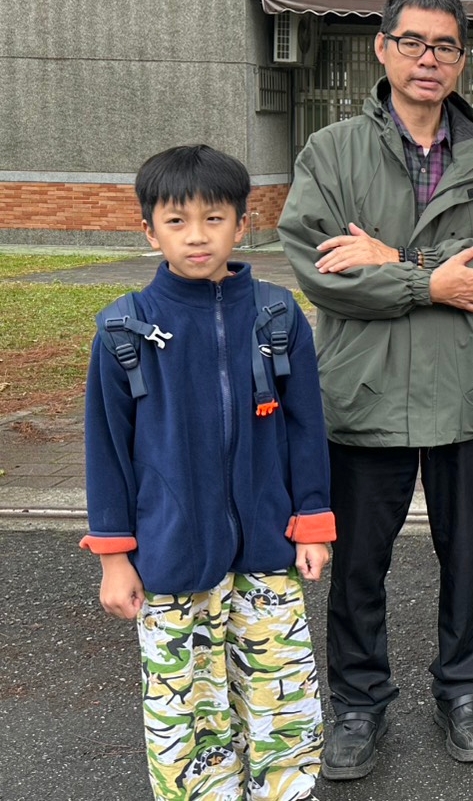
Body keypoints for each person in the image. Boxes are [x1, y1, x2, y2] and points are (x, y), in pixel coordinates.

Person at [278, 0, 473, 776]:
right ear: (382, 47)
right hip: (366, 391)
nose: (429, 58)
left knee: (469, 555)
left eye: (445, 45)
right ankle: (358, 701)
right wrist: (431, 282)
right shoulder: (330, 152)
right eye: (413, 42)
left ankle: (464, 687)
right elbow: (322, 270)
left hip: (464, 389)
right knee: (360, 562)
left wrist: (393, 259)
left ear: (461, 59)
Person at [83, 144, 334, 801]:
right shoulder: (123, 330)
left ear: (242, 224)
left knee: (280, 702)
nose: (196, 235)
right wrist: (114, 558)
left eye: (214, 218)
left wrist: (312, 521)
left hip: (267, 551)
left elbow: (306, 428)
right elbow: (107, 452)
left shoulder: (278, 316)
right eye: (176, 220)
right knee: (187, 714)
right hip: (168, 562)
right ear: (149, 230)